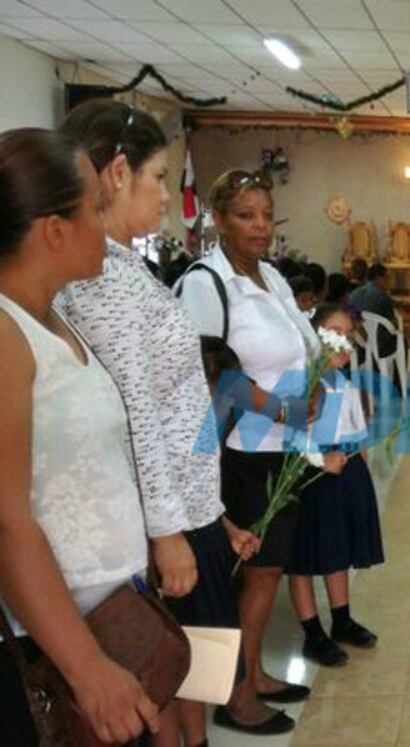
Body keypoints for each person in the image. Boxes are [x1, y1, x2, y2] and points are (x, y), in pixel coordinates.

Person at [55, 99, 287, 741]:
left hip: (190, 508)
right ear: (117, 174)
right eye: (159, 177)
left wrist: (214, 515)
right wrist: (168, 533)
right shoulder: (100, 281)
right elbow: (138, 413)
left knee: (197, 668)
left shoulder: (124, 268)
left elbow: (173, 402)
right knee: (175, 668)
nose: (166, 196)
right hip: (168, 520)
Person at [0, 128, 160, 746]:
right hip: (55, 647)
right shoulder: (5, 335)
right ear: (53, 231)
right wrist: (87, 668)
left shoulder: (54, 316)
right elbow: (7, 521)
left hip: (108, 618)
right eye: (94, 207)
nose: (105, 224)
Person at [176, 169, 321, 717]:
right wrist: (284, 408)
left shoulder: (270, 276)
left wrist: (317, 382)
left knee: (267, 573)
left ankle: (252, 674)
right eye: (245, 215)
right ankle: (234, 696)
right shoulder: (206, 283)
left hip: (282, 444)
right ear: (218, 219)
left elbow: (303, 343)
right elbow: (211, 377)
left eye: (266, 215)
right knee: (251, 576)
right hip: (240, 451)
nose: (260, 226)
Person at [289, 305, 384, 667]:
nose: (341, 342)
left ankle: (341, 619)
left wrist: (361, 469)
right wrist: (319, 459)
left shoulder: (346, 383)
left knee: (338, 548)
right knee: (303, 557)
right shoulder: (302, 383)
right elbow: (289, 434)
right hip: (312, 474)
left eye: (347, 335)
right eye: (333, 332)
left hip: (346, 472)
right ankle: (312, 631)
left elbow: (358, 433)